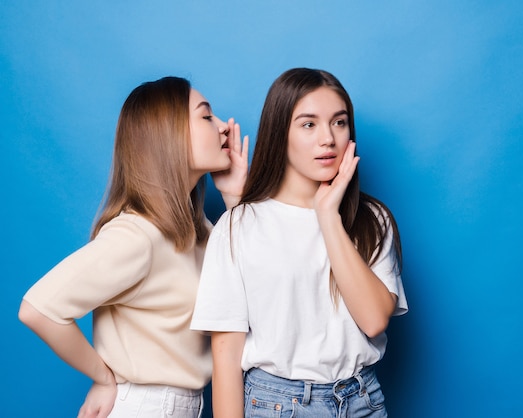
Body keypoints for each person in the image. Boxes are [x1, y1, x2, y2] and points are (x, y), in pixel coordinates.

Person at [18, 76, 248, 418]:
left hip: (183, 406)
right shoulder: (138, 234)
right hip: (145, 407)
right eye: (206, 116)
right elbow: (37, 309)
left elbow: (251, 284)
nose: (224, 128)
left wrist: (235, 198)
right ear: (168, 135)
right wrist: (102, 378)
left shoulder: (198, 228)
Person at [190, 67, 408, 417]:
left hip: (362, 400)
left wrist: (328, 218)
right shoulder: (238, 226)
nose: (328, 139)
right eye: (309, 124)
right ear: (280, 135)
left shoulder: (372, 219)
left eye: (339, 122)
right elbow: (226, 358)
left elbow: (373, 320)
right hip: (277, 404)